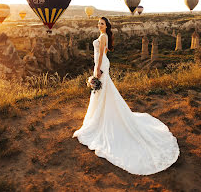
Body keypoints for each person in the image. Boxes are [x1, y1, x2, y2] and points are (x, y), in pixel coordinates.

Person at [72, 17, 180, 175]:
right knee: (102, 92)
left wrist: (97, 70)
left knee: (102, 91)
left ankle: (101, 118)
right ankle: (101, 115)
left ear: (106, 26)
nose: (99, 25)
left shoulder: (103, 36)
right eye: (98, 23)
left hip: (101, 65)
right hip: (102, 64)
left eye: (102, 23)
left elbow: (101, 54)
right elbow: (103, 53)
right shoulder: (105, 36)